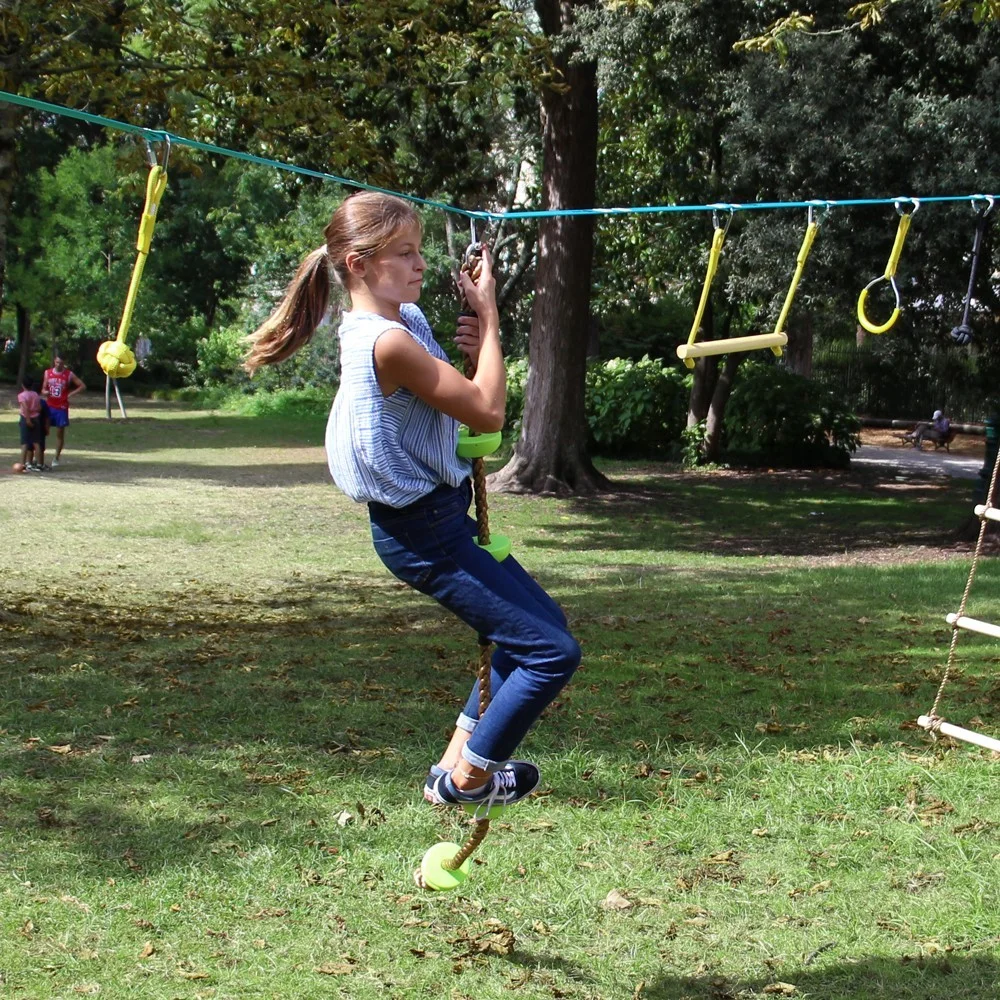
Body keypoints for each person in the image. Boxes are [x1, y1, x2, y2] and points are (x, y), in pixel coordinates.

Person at [244, 191, 580, 815]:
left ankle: (453, 767)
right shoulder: (385, 342)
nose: (419, 263)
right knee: (551, 653)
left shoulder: (402, 327)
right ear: (357, 264)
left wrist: (476, 340)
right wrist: (493, 318)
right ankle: (473, 780)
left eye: (419, 250)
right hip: (423, 534)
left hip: (436, 519)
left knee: (541, 633)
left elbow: (459, 394)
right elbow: (489, 411)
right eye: (403, 253)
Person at [41, 355, 86, 466]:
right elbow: (43, 388)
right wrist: (45, 392)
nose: (58, 365)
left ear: (63, 363)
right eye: (57, 362)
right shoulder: (48, 373)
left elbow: (82, 386)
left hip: (61, 407)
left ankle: (56, 457)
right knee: (43, 430)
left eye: (61, 363)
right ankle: (39, 456)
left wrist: (70, 394)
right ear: (54, 362)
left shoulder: (68, 374)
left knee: (60, 433)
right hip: (49, 406)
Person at [17, 376, 44, 471]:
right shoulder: (35, 394)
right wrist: (34, 412)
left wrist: (28, 419)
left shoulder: (22, 395)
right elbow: (40, 408)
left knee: (25, 443)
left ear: (23, 385)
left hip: (25, 418)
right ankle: (40, 464)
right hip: (36, 418)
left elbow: (25, 408)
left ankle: (22, 464)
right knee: (36, 442)